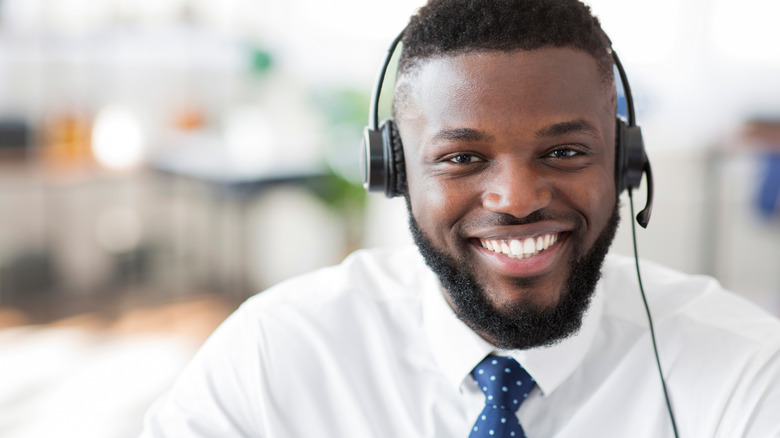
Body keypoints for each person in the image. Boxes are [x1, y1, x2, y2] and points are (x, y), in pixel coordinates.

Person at [140, 0, 780, 436]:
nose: (517, 198)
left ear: (623, 163)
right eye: (463, 157)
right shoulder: (274, 356)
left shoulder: (743, 372)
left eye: (563, 151)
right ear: (394, 172)